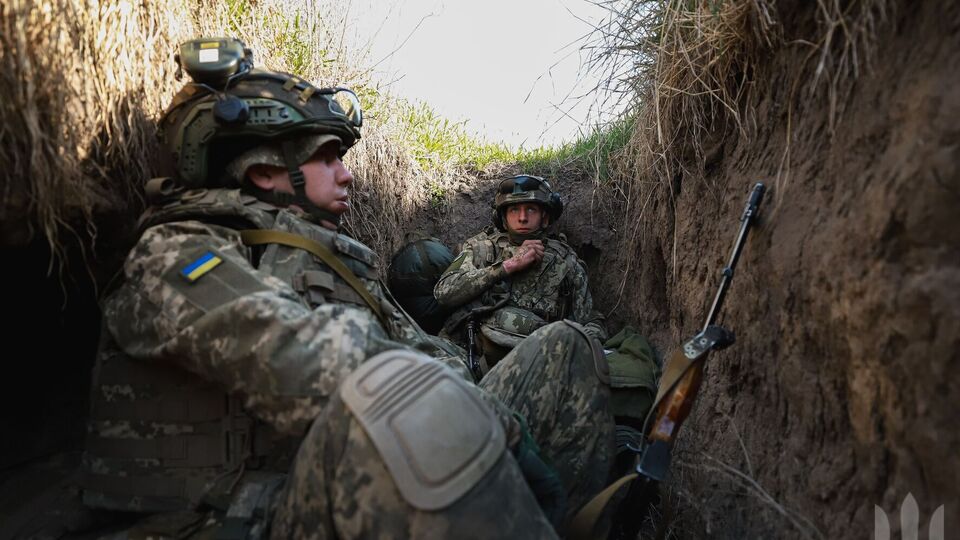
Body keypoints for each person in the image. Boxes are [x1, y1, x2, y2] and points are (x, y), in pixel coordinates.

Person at [78, 37, 611, 538]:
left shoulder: (320, 255)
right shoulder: (178, 251)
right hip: (232, 514)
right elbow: (301, 358)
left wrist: (488, 412)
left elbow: (420, 350)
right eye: (327, 157)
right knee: (404, 412)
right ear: (266, 171)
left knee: (567, 346)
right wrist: (497, 424)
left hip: (325, 476)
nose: (347, 174)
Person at [434, 174, 608, 369]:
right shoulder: (480, 249)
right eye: (514, 210)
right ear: (503, 218)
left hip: (536, 364)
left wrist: (572, 350)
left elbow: (591, 322)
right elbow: (444, 293)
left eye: (531, 209)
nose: (522, 218)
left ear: (545, 217)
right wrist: (506, 267)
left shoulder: (566, 261)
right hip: (469, 353)